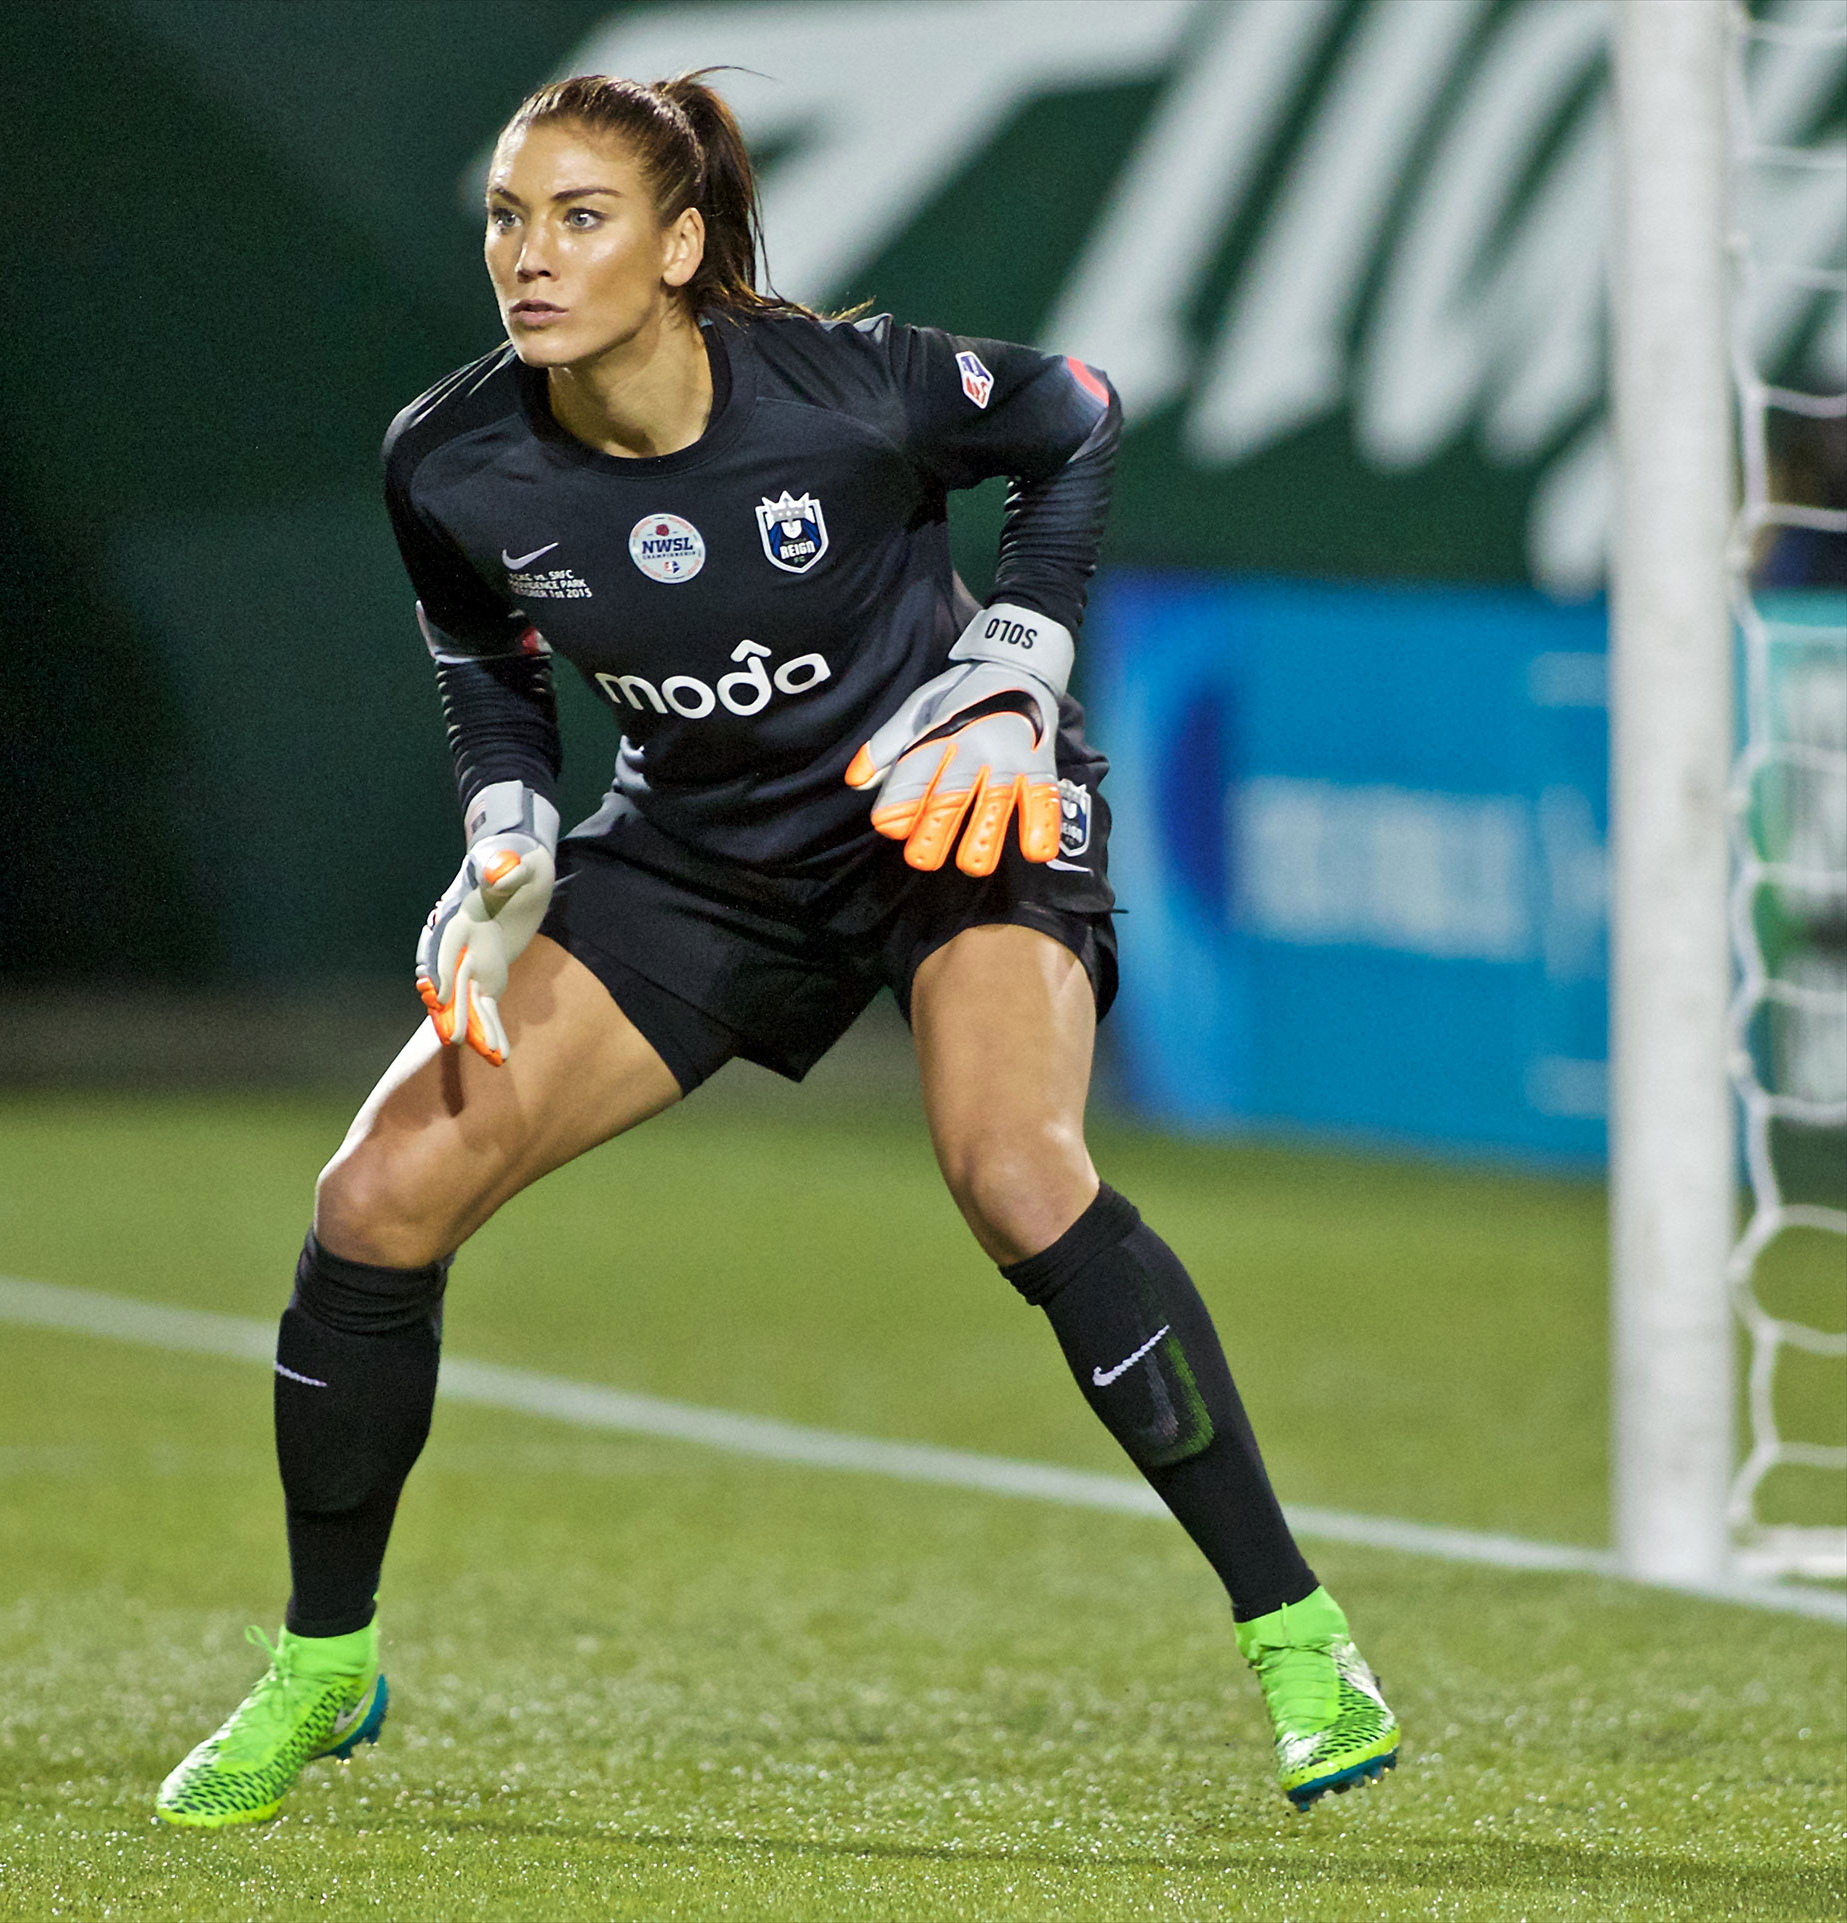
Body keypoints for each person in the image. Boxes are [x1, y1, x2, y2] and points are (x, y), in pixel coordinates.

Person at [154, 71, 1398, 1829]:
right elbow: (489, 670)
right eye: (508, 217)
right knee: (374, 1202)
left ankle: (1297, 1632)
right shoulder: (449, 458)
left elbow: (1078, 415)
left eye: (581, 218)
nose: (529, 255)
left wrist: (1019, 672)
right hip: (698, 862)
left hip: (937, 815)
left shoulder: (843, 390)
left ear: (677, 246)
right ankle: (322, 1667)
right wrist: (506, 836)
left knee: (1018, 1172)